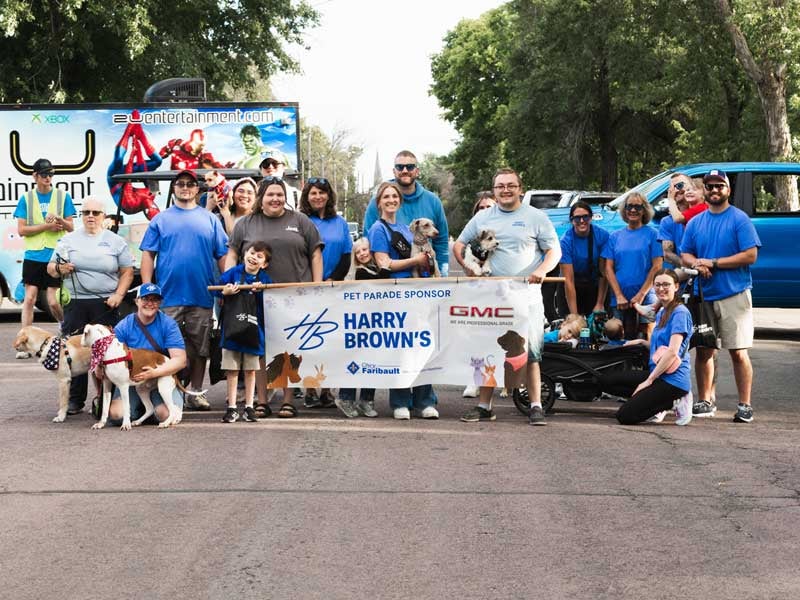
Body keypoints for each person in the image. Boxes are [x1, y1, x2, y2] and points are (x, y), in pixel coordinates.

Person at [453, 168, 561, 426]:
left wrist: (542, 270)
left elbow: (554, 251)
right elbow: (459, 244)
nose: (505, 190)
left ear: (520, 189)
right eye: (500, 186)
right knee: (489, 350)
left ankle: (535, 406)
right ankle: (483, 406)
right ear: (495, 190)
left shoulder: (536, 217)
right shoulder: (483, 217)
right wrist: (469, 268)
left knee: (531, 352)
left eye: (510, 185)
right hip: (493, 296)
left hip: (527, 295)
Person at [226, 176, 323, 418]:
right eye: (270, 194)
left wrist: (317, 287)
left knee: (287, 349)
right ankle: (261, 400)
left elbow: (316, 254)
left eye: (280, 194)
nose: (275, 199)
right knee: (258, 349)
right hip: (254, 297)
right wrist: (229, 281)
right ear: (261, 198)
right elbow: (232, 253)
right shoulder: (245, 223)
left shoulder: (301, 221)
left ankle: (288, 399)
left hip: (293, 296)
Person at [140, 169, 229, 410]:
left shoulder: (210, 219)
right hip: (167, 296)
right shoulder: (160, 219)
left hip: (201, 295)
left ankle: (195, 392)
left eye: (190, 184)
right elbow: (148, 254)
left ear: (198, 189)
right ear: (174, 189)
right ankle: (164, 392)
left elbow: (222, 255)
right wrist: (147, 288)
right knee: (163, 346)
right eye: (180, 184)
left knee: (200, 347)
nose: (185, 187)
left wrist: (227, 284)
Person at [681, 169, 761, 423]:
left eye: (719, 186)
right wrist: (698, 264)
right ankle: (706, 400)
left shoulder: (739, 219)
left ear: (728, 189)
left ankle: (745, 404)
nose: (714, 190)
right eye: (710, 186)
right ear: (704, 189)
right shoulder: (696, 222)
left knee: (738, 351)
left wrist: (713, 263)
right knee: (704, 351)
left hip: (734, 294)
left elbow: (750, 255)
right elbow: (686, 254)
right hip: (704, 296)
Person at [46, 196, 134, 414]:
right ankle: (76, 400)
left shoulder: (115, 241)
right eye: (86, 213)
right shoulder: (69, 240)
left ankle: (107, 399)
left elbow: (127, 272)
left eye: (96, 213)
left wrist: (119, 295)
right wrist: (60, 269)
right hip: (75, 302)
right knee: (74, 351)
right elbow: (50, 268)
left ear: (104, 216)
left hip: (106, 303)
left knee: (106, 350)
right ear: (81, 216)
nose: (91, 217)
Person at [367, 181, 437, 420]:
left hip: (419, 294)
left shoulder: (408, 229)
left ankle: (425, 401)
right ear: (379, 202)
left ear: (399, 200)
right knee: (400, 349)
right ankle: (400, 402)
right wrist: (415, 263)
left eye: (394, 197)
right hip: (395, 296)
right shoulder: (378, 229)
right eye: (386, 197)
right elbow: (384, 263)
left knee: (422, 347)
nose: (391, 200)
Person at [299, 176, 353, 409]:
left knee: (330, 339)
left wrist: (333, 279)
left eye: (322, 192)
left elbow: (346, 255)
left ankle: (328, 390)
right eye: (313, 193)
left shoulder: (339, 222)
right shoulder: (300, 220)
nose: (318, 197)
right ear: (307, 196)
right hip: (306, 288)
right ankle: (310, 389)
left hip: (333, 287)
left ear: (329, 195)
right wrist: (313, 280)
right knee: (309, 338)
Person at [14, 158, 76, 357]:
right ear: (35, 176)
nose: (48, 178)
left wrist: (58, 220)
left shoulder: (62, 196)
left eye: (51, 174)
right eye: (44, 174)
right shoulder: (26, 198)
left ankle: (64, 328)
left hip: (55, 255)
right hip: (33, 254)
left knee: (53, 302)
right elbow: (22, 230)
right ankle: (25, 343)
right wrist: (47, 226)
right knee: (29, 299)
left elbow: (71, 227)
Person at [615, 269, 694, 425]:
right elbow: (660, 345)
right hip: (658, 373)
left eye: (666, 284)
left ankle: (672, 401)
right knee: (608, 380)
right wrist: (641, 342)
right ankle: (654, 400)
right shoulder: (662, 311)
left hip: (672, 380)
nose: (661, 288)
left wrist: (648, 381)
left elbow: (672, 352)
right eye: (657, 285)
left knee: (625, 416)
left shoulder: (680, 313)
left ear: (676, 286)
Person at [103, 283, 187, 425]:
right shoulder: (125, 324)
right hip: (131, 379)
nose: (150, 303)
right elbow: (109, 352)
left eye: (154, 300)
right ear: (137, 301)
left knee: (164, 415)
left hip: (161, 376)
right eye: (145, 299)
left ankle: (153, 407)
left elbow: (180, 360)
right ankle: (143, 408)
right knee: (117, 415)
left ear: (160, 303)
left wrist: (155, 373)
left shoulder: (168, 324)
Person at [362, 150, 450, 277]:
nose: (404, 170)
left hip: (424, 281)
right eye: (399, 167)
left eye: (409, 166)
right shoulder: (377, 219)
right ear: (394, 171)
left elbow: (441, 241)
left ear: (417, 171)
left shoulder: (432, 202)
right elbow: (369, 247)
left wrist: (442, 272)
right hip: (392, 285)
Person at [216, 242, 272, 423]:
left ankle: (249, 406)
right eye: (252, 252)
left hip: (254, 333)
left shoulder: (265, 279)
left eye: (260, 256)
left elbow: (271, 300)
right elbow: (217, 290)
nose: (254, 257)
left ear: (264, 264)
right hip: (232, 331)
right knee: (231, 370)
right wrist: (225, 292)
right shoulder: (233, 273)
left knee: (250, 370)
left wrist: (261, 291)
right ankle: (231, 407)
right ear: (245, 254)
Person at [336, 237, 390, 418]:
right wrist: (384, 268)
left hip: (377, 323)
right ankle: (345, 397)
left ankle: (366, 400)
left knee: (372, 362)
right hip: (359, 324)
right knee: (355, 361)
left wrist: (383, 267)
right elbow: (380, 280)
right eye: (358, 252)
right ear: (355, 256)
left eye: (365, 249)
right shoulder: (360, 272)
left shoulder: (377, 268)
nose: (362, 254)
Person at [602, 192, 663, 339]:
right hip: (619, 298)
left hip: (646, 297)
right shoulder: (615, 236)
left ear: (644, 210)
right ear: (624, 209)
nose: (633, 210)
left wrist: (641, 295)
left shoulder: (653, 234)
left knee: (648, 337)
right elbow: (608, 267)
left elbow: (657, 266)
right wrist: (618, 295)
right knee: (617, 337)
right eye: (629, 206)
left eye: (638, 206)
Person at [462, 191, 496, 399]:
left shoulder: (502, 231)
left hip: (502, 292)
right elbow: (461, 253)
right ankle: (474, 380)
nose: (484, 211)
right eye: (480, 208)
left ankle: (508, 382)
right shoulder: (471, 235)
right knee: (476, 337)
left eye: (488, 207)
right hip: (476, 292)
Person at [557, 200, 610, 317]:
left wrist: (600, 303)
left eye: (585, 217)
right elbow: (568, 280)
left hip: (595, 285)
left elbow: (604, 273)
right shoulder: (565, 241)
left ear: (591, 218)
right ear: (572, 220)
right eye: (577, 218)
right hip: (572, 285)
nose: (581, 221)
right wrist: (574, 315)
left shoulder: (603, 236)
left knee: (600, 325)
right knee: (572, 327)